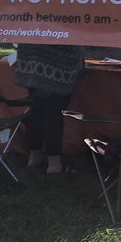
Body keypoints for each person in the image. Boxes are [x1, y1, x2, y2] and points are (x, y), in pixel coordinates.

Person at [14, 44, 85, 175]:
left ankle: (34, 157)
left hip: (32, 59)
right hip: (57, 63)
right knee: (53, 113)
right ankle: (54, 164)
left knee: (36, 110)